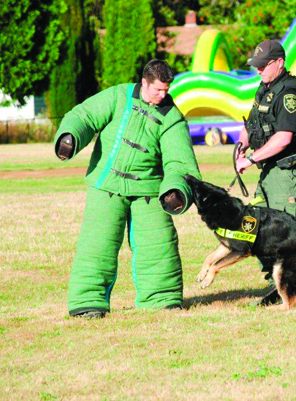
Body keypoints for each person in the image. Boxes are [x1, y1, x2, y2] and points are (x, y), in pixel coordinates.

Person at [54, 59, 201, 318]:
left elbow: (180, 162)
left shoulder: (172, 117)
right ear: (144, 82)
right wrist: (70, 136)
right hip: (106, 183)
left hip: (149, 191)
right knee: (96, 243)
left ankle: (162, 299)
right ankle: (87, 301)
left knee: (159, 245)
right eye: (158, 90)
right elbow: (84, 116)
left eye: (166, 90)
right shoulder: (118, 96)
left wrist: (177, 189)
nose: (163, 95)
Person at [235, 39, 296, 228]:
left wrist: (251, 159)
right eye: (256, 66)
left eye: (263, 65)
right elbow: (252, 123)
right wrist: (241, 146)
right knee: (257, 233)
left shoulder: (289, 93)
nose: (259, 70)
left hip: (288, 174)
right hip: (268, 172)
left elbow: (283, 138)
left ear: (279, 62)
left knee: (288, 238)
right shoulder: (264, 88)